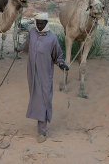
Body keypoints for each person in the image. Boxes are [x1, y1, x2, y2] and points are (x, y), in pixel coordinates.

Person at [16, 12, 69, 143]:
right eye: (37, 23)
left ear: (46, 23)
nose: (39, 25)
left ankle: (42, 132)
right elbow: (27, 44)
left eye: (41, 23)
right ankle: (40, 128)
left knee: (44, 100)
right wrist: (19, 48)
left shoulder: (52, 38)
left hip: (45, 74)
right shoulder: (32, 32)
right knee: (36, 98)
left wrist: (61, 63)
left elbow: (58, 56)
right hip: (32, 73)